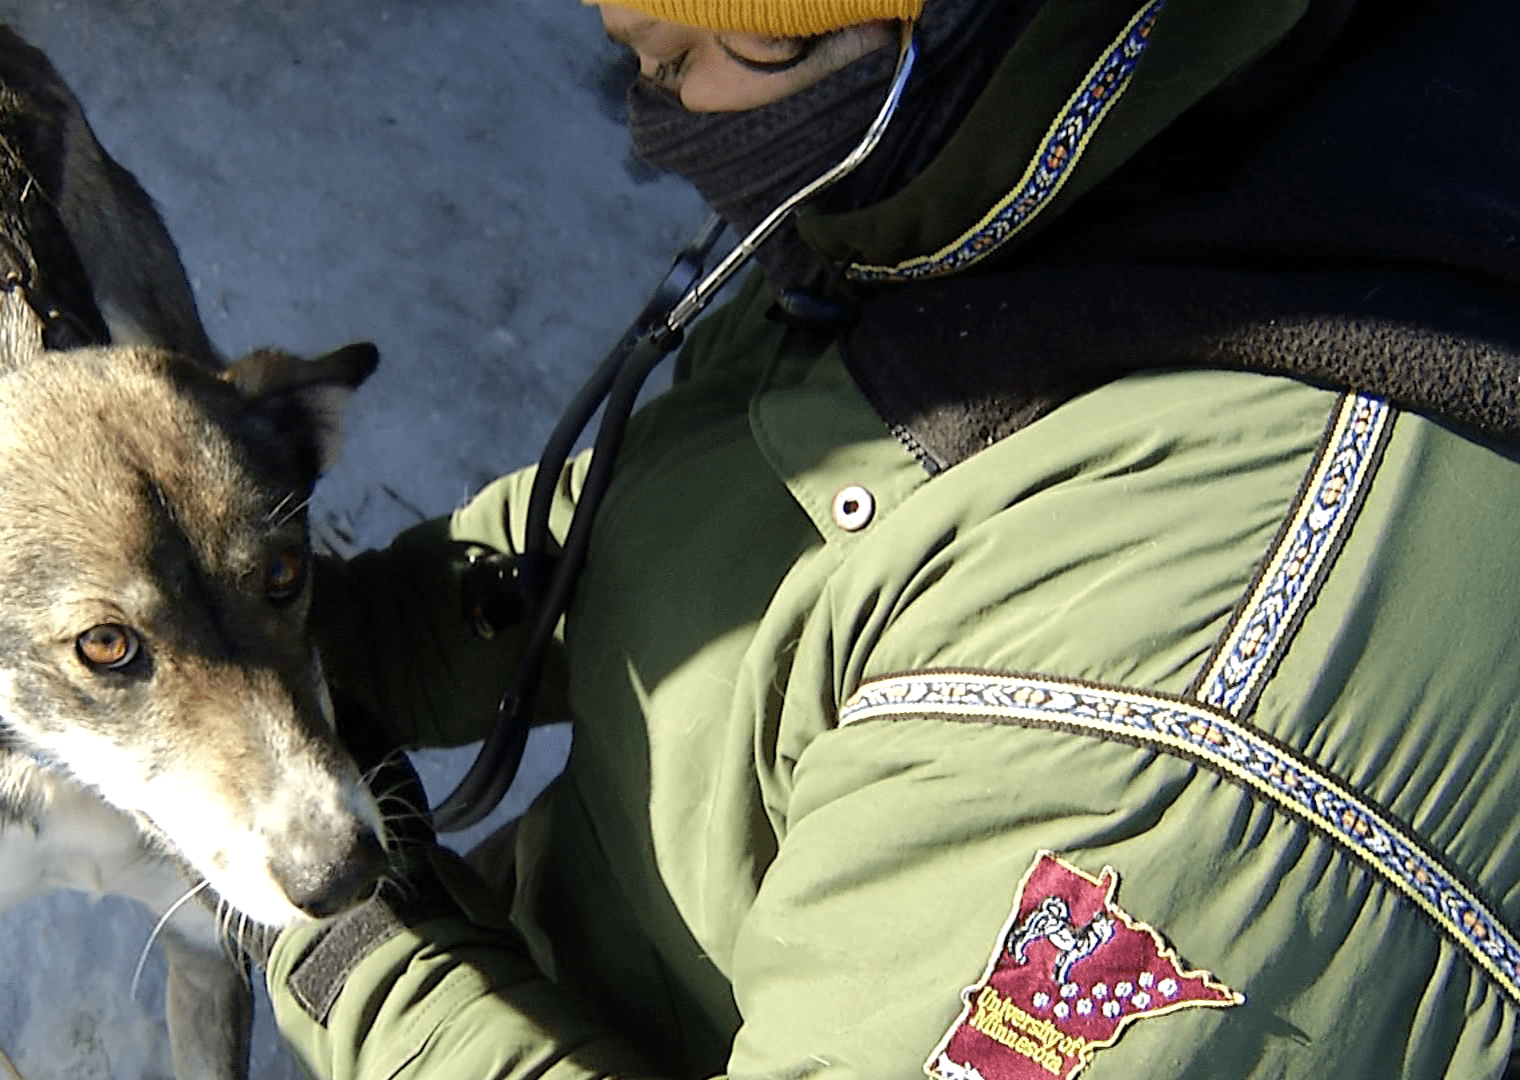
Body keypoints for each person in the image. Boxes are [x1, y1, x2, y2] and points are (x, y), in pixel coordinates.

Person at [256, 0, 1520, 1076]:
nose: (661, 97)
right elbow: (766, 484)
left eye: (722, 46)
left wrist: (344, 947)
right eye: (638, 42)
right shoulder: (1027, 153)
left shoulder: (1168, 766)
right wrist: (306, 638)